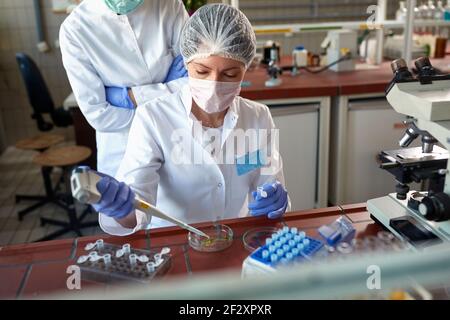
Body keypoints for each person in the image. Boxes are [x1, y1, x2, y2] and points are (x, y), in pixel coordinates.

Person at [90, 3, 290, 236]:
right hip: (173, 244)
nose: (214, 84)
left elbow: (269, 185)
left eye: (230, 74)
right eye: (202, 72)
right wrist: (121, 208)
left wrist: (275, 202)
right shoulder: (153, 118)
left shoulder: (257, 116)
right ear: (186, 64)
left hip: (233, 240)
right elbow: (137, 206)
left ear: (245, 70)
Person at [59, 0, 189, 176]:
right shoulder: (75, 29)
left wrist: (130, 97)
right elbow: (99, 115)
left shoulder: (169, 5)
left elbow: (194, 82)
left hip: (176, 143)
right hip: (121, 151)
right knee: (129, 201)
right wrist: (166, 89)